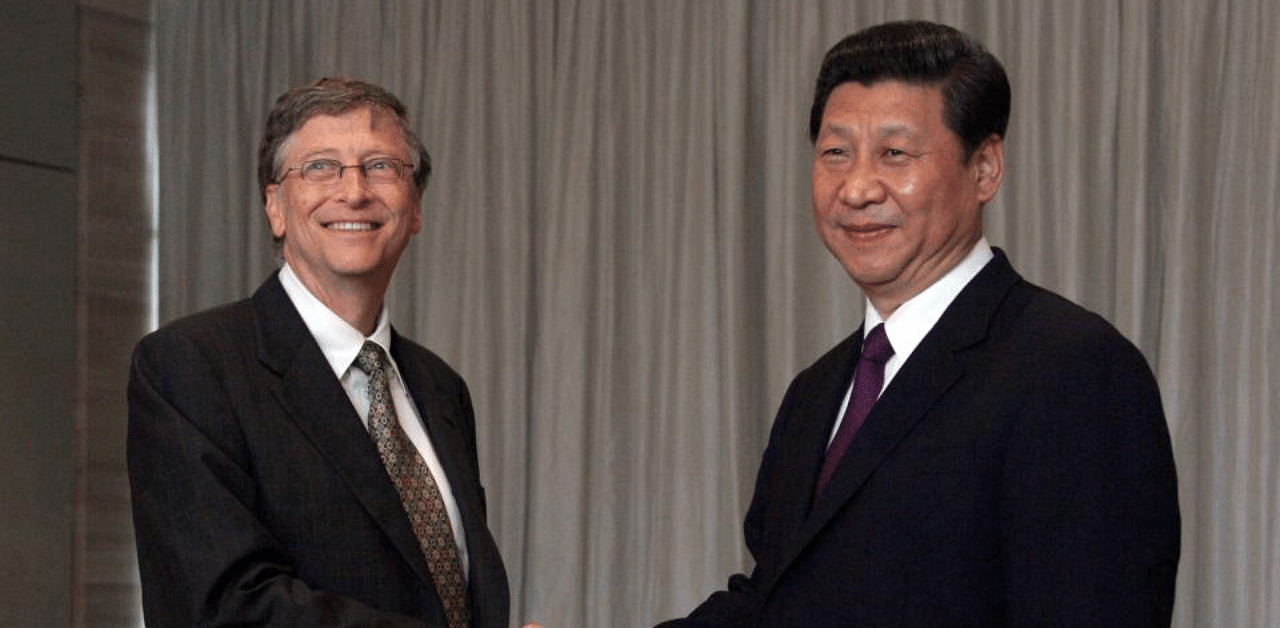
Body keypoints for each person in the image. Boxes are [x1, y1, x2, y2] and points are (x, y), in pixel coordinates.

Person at [656, 20, 1180, 627]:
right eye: (835, 153)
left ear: (984, 169)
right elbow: (773, 604)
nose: (855, 189)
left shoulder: (1072, 369)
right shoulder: (817, 392)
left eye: (894, 154)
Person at [128, 78, 509, 627]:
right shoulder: (191, 367)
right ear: (275, 207)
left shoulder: (440, 387)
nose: (353, 191)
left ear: (416, 206)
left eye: (381, 166)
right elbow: (221, 607)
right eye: (320, 167)